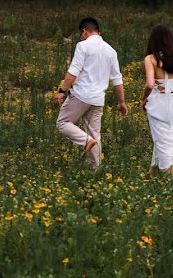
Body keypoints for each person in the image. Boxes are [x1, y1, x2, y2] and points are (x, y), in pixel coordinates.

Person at [54, 17, 128, 171]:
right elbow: (117, 80)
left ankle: (86, 141)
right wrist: (122, 102)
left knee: (62, 123)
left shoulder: (83, 46)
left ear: (84, 31)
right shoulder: (111, 51)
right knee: (95, 134)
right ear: (99, 32)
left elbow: (73, 72)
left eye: (81, 34)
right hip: (98, 99)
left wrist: (62, 91)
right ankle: (96, 171)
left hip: (81, 95)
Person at [140, 25, 173, 176]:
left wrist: (143, 99)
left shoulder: (151, 59)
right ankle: (151, 173)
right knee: (164, 137)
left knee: (162, 140)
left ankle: (168, 180)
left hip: (159, 104)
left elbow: (150, 84)